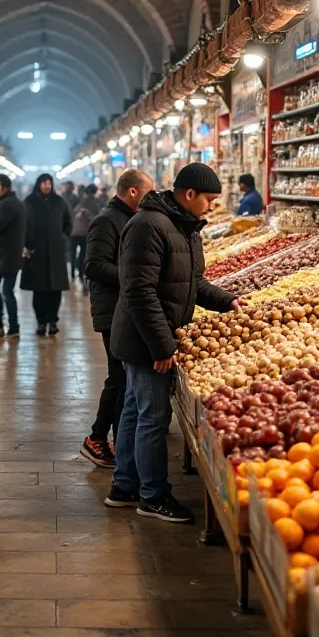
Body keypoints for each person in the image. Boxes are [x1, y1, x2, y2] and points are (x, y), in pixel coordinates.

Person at [106, 163, 240, 521]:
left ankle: (124, 485)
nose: (211, 207)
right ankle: (152, 495)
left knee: (136, 409)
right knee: (153, 416)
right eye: (209, 199)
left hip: (153, 334)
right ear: (190, 194)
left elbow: (191, 284)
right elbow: (138, 292)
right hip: (144, 338)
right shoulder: (149, 225)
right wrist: (162, 346)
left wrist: (227, 300)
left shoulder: (185, 228)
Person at [80, 168, 154, 468]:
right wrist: (134, 277)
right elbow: (94, 266)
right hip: (112, 311)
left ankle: (113, 438)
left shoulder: (129, 218)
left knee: (123, 378)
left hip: (125, 307)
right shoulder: (106, 221)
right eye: (148, 191)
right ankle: (96, 438)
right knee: (119, 377)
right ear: (133, 191)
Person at [21, 172, 72, 335]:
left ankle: (53, 321)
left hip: (56, 253)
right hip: (36, 253)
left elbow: (68, 223)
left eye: (49, 183)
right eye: (43, 183)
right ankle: (41, 321)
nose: (46, 186)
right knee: (39, 291)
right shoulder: (29, 202)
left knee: (55, 291)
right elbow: (23, 225)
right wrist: (25, 245)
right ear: (38, 184)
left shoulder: (59, 202)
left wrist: (62, 238)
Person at [0, 173, 27, 339]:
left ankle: (0, 326)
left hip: (2, 255)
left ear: (5, 187)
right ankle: (12, 326)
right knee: (5, 291)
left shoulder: (6, 204)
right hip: (10, 254)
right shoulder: (15, 203)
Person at [70, 185, 101, 283]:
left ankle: (72, 272)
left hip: (74, 232)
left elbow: (73, 214)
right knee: (83, 253)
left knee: (73, 252)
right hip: (85, 232)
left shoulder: (80, 201)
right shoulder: (94, 203)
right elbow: (96, 217)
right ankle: (80, 273)